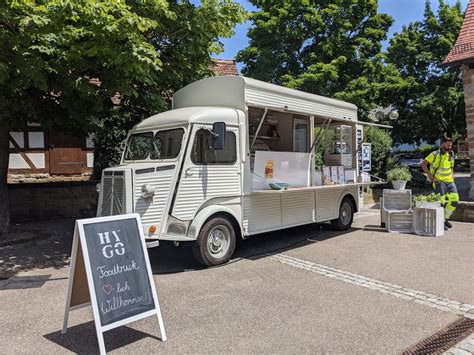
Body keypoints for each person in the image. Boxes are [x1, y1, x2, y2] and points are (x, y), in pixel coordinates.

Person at [421, 137, 459, 230]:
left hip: (450, 181)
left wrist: (452, 175)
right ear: (442, 144)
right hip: (439, 181)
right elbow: (423, 164)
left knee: (454, 200)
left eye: (450, 145)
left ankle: (445, 219)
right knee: (441, 202)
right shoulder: (434, 154)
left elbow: (451, 167)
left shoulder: (451, 154)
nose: (449, 147)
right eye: (447, 145)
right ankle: (440, 222)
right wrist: (431, 177)